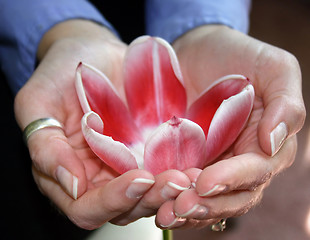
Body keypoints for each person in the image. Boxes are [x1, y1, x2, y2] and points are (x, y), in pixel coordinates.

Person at [0, 0, 305, 238]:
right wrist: (60, 29)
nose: (172, 131)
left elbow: (234, 93)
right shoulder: (95, 121)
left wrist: (203, 24)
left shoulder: (200, 114)